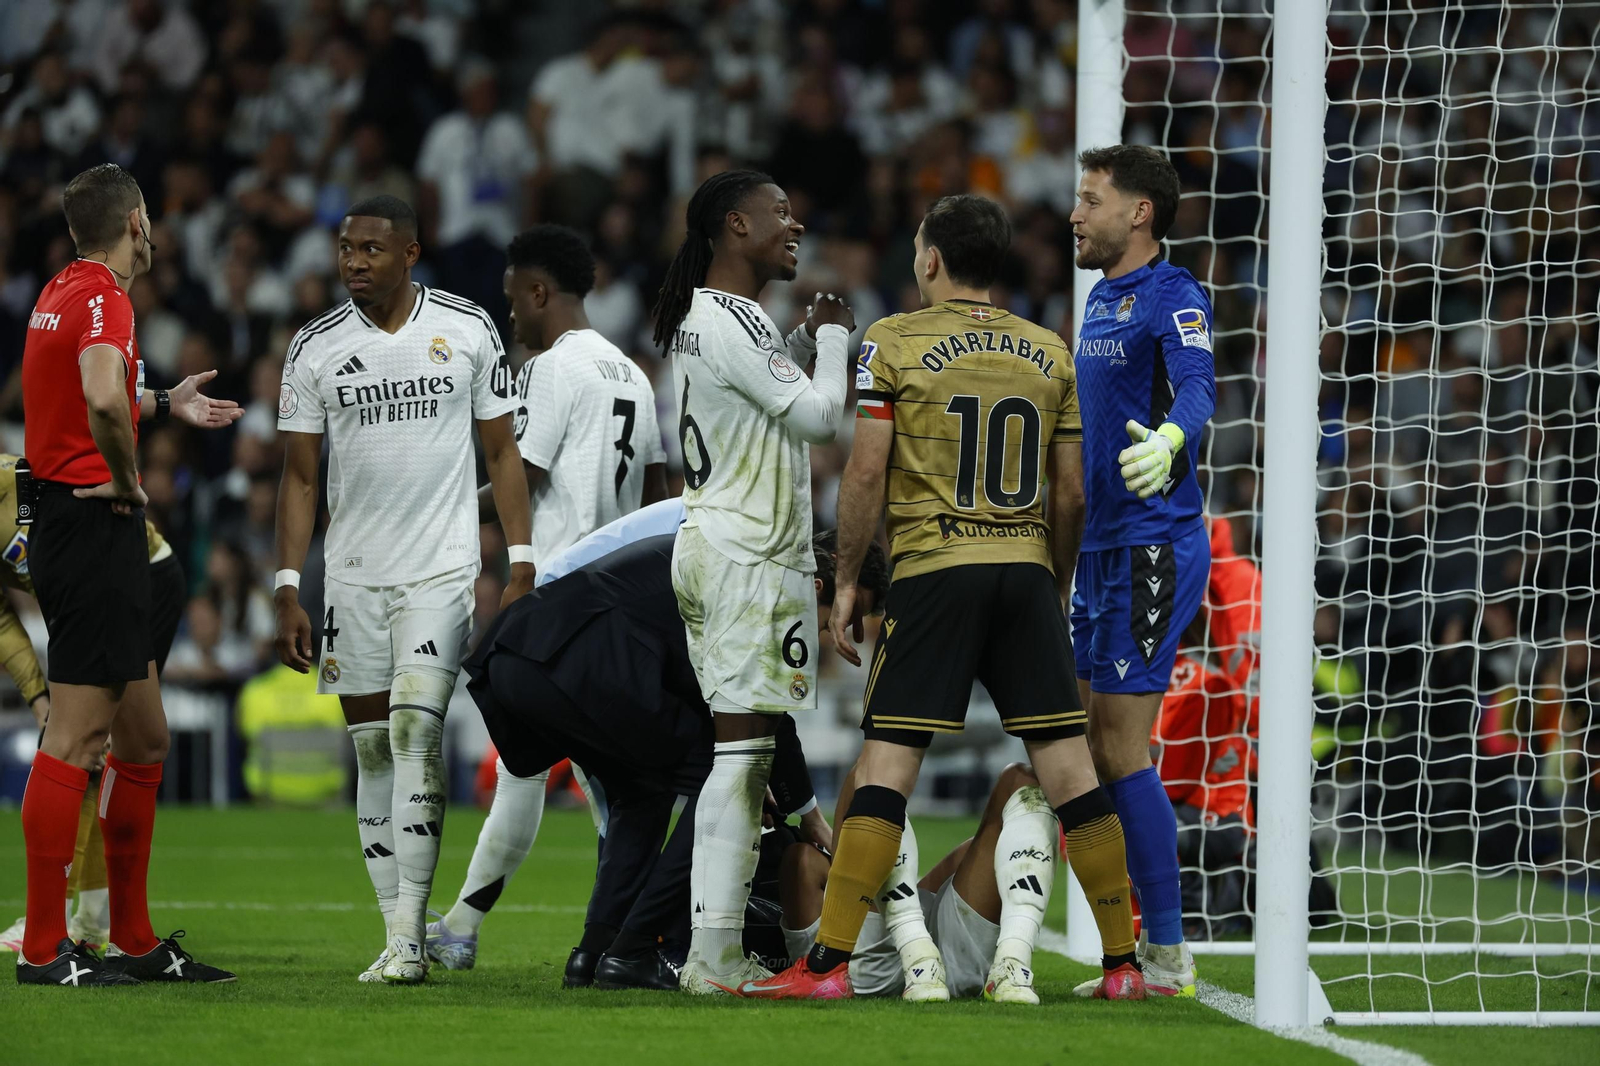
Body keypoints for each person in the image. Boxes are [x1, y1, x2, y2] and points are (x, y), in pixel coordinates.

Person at [739, 194, 1143, 1002]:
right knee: (1068, 772)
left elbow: (864, 472)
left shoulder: (893, 341)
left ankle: (828, 968)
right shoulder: (1049, 352)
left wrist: (849, 579)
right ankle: (1123, 966)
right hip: (1026, 572)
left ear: (929, 260)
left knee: (887, 765)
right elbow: (1071, 495)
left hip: (934, 569)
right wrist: (1051, 580)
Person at [272, 195, 533, 985]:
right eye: (346, 248)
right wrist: (288, 585)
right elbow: (300, 475)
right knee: (373, 751)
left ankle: (413, 935)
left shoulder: (467, 328)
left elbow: (502, 454)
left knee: (417, 732)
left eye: (371, 249)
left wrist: (521, 559)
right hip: (351, 577)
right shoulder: (313, 349)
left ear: (410, 253)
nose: (354, 261)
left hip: (441, 571)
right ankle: (396, 934)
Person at [466, 509, 888, 992]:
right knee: (731, 777)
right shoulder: (770, 582)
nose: (838, 631)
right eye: (847, 611)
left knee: (642, 791)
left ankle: (594, 955)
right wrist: (807, 814)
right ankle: (637, 948)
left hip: (518, 658)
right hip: (584, 659)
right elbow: (768, 715)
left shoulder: (741, 550)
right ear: (821, 586)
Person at [17, 163, 241, 986]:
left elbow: (94, 395)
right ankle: (45, 950)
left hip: (65, 521)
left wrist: (162, 401)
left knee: (144, 737)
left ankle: (137, 940)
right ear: (137, 225)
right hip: (94, 525)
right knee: (77, 736)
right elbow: (101, 398)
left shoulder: (60, 292)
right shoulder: (111, 297)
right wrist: (127, 476)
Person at [427, 224, 666, 969]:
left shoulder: (550, 372)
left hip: (560, 600)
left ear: (539, 293)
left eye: (512, 303)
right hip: (625, 609)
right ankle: (473, 927)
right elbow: (660, 497)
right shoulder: (634, 375)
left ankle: (606, 935)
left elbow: (517, 478)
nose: (509, 320)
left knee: (557, 775)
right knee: (573, 776)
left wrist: (441, 513)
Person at [649, 168, 853, 994]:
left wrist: (797, 352)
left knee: (747, 753)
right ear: (736, 226)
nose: (794, 224)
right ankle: (712, 954)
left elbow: (761, 408)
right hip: (745, 557)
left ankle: (715, 946)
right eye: (780, 212)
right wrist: (835, 341)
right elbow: (816, 418)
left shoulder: (712, 318)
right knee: (740, 759)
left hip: (719, 545)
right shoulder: (729, 317)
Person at [1065, 144, 1216, 997]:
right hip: (1102, 547)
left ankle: (1165, 954)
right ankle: (1129, 950)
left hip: (1155, 541)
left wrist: (1169, 439)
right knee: (1093, 746)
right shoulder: (1097, 298)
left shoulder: (1173, 295)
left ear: (1139, 213)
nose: (1077, 214)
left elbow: (1198, 386)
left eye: (1091, 200)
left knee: (1123, 750)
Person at [0, 453, 187, 955]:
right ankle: (91, 918)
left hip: (141, 579)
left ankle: (69, 918)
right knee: (87, 749)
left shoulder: (16, 483)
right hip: (87, 601)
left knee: (95, 748)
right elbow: (1, 622)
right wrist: (40, 697)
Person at [780, 765, 1060, 1004]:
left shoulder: (799, 860)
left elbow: (805, 862)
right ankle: (1014, 965)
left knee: (869, 777)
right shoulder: (801, 861)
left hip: (868, 967)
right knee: (868, 777)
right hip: (909, 965)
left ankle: (923, 961)